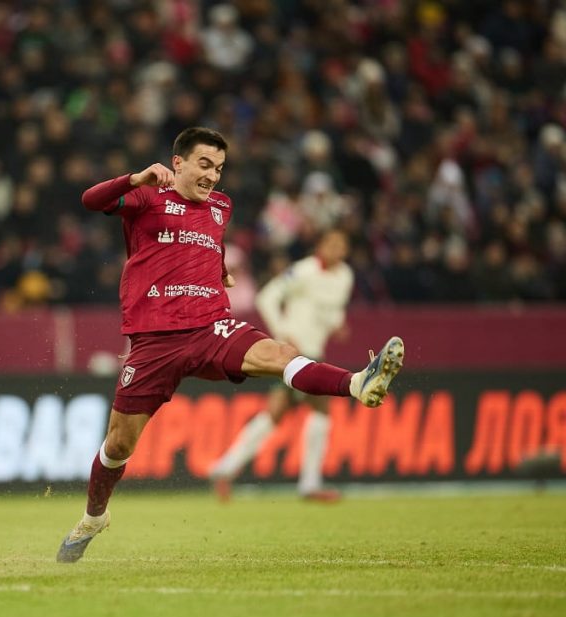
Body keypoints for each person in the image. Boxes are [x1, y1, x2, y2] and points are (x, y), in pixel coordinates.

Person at [56, 127, 403, 563]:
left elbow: (206, 243)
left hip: (210, 327)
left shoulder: (221, 207)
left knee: (279, 354)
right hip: (154, 340)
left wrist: (217, 269)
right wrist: (134, 178)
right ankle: (94, 517)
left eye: (219, 168)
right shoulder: (147, 196)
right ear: (178, 162)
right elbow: (90, 200)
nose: (212, 176)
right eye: (204, 165)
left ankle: (356, 382)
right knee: (119, 445)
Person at [208, 229, 354, 502]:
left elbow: (332, 311)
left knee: (275, 414)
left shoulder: (345, 276)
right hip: (296, 354)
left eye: (341, 245)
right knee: (321, 408)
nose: (336, 249)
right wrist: (283, 335)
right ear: (320, 246)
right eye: (331, 243)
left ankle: (224, 468)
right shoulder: (304, 271)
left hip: (313, 352)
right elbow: (266, 297)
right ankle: (310, 484)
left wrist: (337, 325)